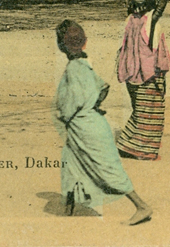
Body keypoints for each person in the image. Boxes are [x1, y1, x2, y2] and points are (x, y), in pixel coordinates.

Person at [54, 20, 152, 225]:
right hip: (92, 123)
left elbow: (70, 105)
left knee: (108, 170)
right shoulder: (84, 65)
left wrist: (66, 115)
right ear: (83, 43)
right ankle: (68, 209)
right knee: (72, 163)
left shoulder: (74, 69)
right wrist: (94, 104)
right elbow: (103, 87)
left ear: (61, 46)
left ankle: (142, 206)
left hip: (85, 127)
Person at [116, 0, 170, 160]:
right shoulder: (150, 20)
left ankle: (129, 145)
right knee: (151, 112)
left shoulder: (130, 19)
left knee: (139, 111)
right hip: (150, 74)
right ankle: (142, 150)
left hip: (132, 73)